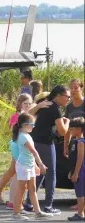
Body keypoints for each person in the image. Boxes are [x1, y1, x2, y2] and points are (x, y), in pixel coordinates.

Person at [24, 85, 71, 215]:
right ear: (58, 96)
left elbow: (27, 115)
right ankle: (48, 206)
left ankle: (28, 203)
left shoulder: (45, 103)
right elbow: (62, 132)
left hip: (34, 141)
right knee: (51, 174)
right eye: (67, 97)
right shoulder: (56, 108)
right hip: (45, 143)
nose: (68, 99)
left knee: (39, 172)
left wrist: (38, 106)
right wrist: (67, 122)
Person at [0, 93, 33, 209]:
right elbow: (13, 130)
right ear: (20, 104)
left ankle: (0, 192)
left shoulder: (30, 116)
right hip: (17, 145)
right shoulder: (17, 116)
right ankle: (11, 198)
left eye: (30, 104)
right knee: (16, 170)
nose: (28, 106)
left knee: (13, 170)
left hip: (24, 146)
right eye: (25, 103)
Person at [11, 112, 52, 221]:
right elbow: (34, 152)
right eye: (32, 124)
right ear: (25, 125)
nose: (33, 126)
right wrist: (41, 165)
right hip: (23, 166)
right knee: (21, 190)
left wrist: (35, 165)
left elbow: (29, 154)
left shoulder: (27, 135)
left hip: (29, 165)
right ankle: (16, 213)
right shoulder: (23, 137)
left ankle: (38, 212)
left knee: (32, 189)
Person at [64, 79, 85, 211]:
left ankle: (81, 205)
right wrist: (65, 145)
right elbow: (67, 127)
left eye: (76, 87)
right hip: (75, 142)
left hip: (83, 142)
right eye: (71, 88)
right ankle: (80, 201)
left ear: (81, 88)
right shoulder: (69, 107)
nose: (73, 90)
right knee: (77, 171)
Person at [67, 117, 85, 221]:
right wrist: (71, 171)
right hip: (76, 170)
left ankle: (80, 213)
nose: (70, 131)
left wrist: (76, 173)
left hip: (81, 171)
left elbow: (80, 158)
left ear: (79, 129)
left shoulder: (81, 142)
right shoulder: (75, 140)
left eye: (72, 129)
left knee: (80, 193)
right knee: (80, 192)